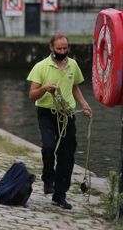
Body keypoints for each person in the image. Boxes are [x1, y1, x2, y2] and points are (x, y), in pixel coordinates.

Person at [27, 33, 92, 210]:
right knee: (48, 147)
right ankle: (48, 179)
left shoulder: (73, 65)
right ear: (51, 48)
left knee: (67, 156)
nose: (63, 51)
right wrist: (45, 89)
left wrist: (85, 105)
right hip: (46, 112)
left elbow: (75, 86)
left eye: (65, 48)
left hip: (67, 114)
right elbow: (32, 95)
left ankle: (60, 195)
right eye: (59, 49)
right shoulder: (41, 67)